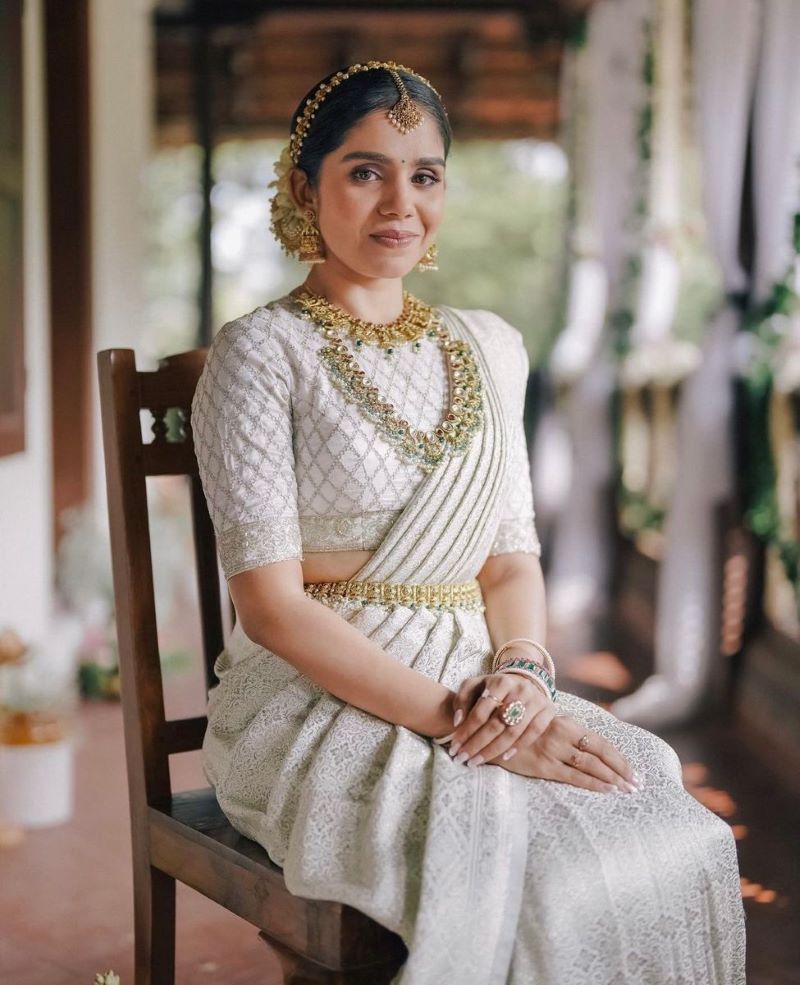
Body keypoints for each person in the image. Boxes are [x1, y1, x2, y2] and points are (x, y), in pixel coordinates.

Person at [191, 61, 746, 984]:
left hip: (480, 673)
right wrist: (461, 722)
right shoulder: (260, 353)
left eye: (425, 174)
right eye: (365, 171)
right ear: (304, 187)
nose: (400, 202)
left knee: (658, 809)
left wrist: (523, 675)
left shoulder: (489, 347)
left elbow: (508, 560)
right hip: (311, 699)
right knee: (535, 875)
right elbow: (275, 609)